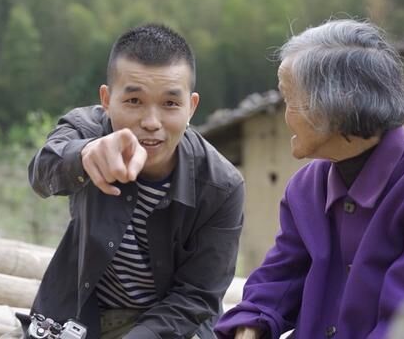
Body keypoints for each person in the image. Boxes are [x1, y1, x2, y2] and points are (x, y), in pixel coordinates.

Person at [214, 19, 404, 339]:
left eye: (289, 100)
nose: (283, 114)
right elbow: (280, 279)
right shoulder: (306, 189)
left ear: (336, 108)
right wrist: (251, 326)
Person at [23, 24, 244, 339]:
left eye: (170, 104)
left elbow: (197, 295)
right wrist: (84, 156)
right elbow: (42, 172)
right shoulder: (85, 129)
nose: (151, 123)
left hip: (171, 328)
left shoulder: (221, 186)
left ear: (191, 107)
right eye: (134, 102)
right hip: (82, 316)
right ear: (107, 99)